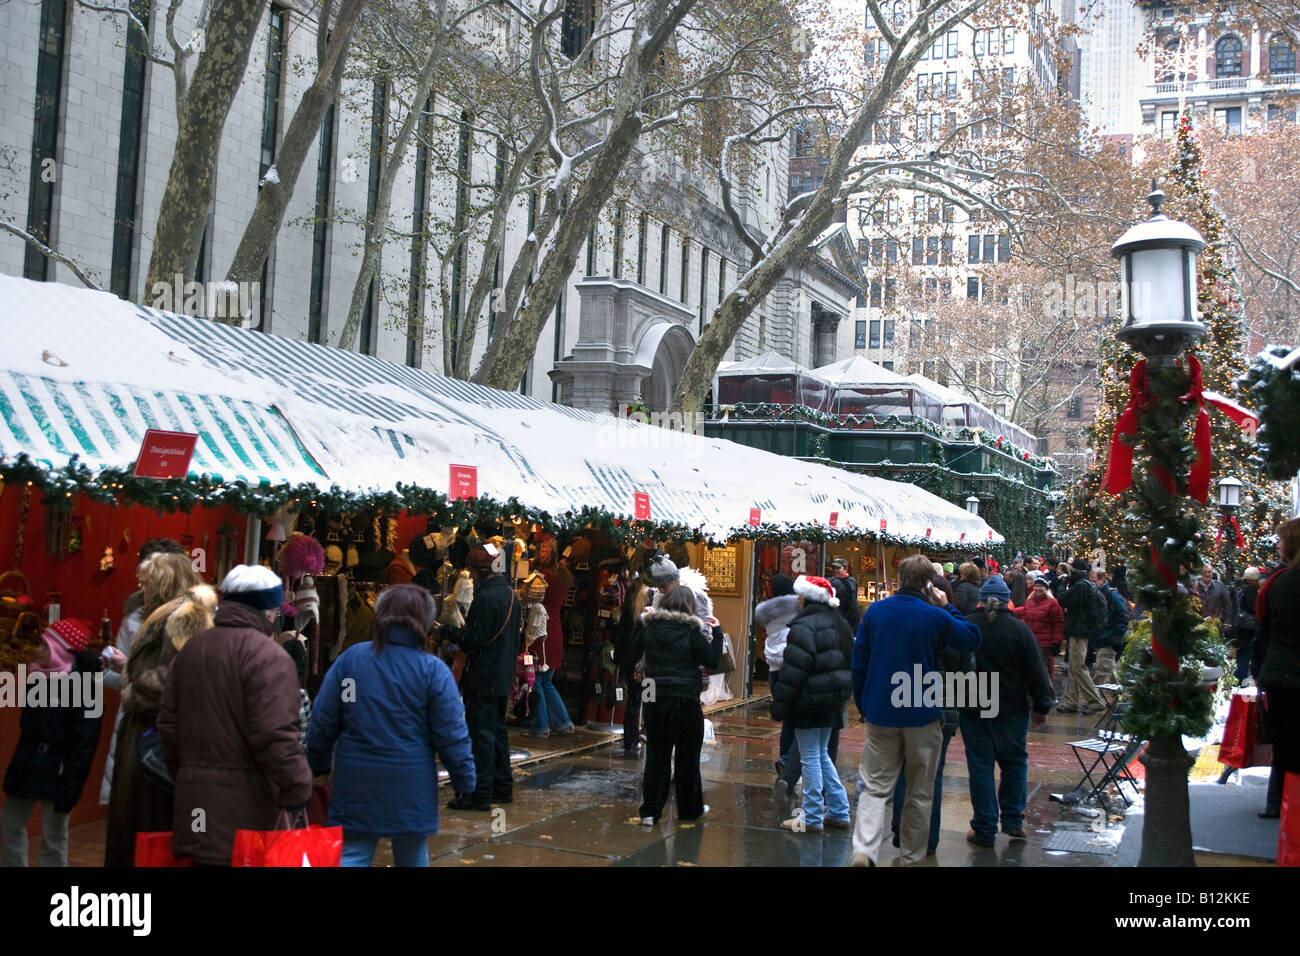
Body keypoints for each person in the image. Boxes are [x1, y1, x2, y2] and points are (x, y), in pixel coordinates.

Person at [307, 584, 476, 866]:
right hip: (412, 786)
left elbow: (323, 720)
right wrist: (464, 778)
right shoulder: (433, 670)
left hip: (355, 783)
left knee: (352, 853)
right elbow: (451, 734)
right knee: (412, 853)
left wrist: (319, 765)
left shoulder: (352, 659)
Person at [158, 566, 310, 866]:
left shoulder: (191, 650)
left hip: (194, 803)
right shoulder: (269, 657)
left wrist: (187, 776)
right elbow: (275, 735)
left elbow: (168, 726)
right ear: (270, 611)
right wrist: (298, 788)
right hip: (246, 809)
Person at [851, 554, 981, 867]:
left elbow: (859, 664)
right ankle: (911, 856)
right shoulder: (934, 616)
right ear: (927, 583)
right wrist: (945, 605)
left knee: (875, 785)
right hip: (921, 712)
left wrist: (863, 704)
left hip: (881, 710)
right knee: (920, 791)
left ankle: (865, 849)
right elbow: (971, 639)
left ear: (898, 578)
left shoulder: (875, 613)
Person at [103, 553, 210, 867]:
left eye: (147, 582)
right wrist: (129, 669)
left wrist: (133, 689)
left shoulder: (184, 617)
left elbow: (175, 677)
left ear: (163, 583)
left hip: (156, 742)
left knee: (148, 832)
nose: (142, 587)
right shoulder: (167, 615)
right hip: (147, 736)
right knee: (137, 828)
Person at [960, 575, 1055, 846]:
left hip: (974, 707)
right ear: (1007, 602)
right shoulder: (1020, 630)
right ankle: (1014, 820)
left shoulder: (967, 626)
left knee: (980, 766)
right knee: (1014, 763)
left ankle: (984, 826)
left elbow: (954, 666)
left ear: (980, 601)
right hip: (1012, 708)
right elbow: (1036, 673)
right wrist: (1041, 706)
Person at [1, 620, 103, 866]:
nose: (38, 651)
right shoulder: (37, 677)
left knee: (54, 836)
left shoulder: (86, 688)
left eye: (44, 646)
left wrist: (71, 786)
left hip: (60, 768)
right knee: (8, 826)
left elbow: (85, 744)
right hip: (28, 763)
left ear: (60, 651)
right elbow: (28, 727)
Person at [99, 538, 188, 806]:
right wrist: (105, 668)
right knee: (131, 814)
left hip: (173, 730)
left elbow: (185, 682)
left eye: (149, 578)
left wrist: (129, 666)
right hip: (135, 725)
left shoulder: (194, 617)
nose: (143, 585)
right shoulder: (135, 618)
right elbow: (122, 681)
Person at [634, 585, 723, 824]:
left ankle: (650, 812)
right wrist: (717, 633)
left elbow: (633, 650)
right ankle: (689, 810)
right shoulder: (692, 631)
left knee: (656, 755)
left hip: (653, 693)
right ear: (689, 607)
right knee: (687, 757)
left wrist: (641, 620)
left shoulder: (649, 627)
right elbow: (712, 660)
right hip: (685, 696)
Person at [771, 576, 853, 833]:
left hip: (808, 703)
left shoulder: (803, 626)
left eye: (801, 595)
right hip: (831, 702)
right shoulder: (839, 624)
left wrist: (779, 705)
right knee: (821, 755)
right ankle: (839, 810)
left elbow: (794, 669)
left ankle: (812, 815)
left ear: (808, 598)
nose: (797, 599)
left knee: (810, 758)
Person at [447, 544, 522, 812]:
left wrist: (447, 631)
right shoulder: (512, 596)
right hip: (501, 677)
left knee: (482, 736)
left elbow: (472, 639)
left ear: (479, 571)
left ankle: (480, 795)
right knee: (498, 734)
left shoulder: (486, 598)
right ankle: (503, 788)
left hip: (482, 677)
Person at [1252, 518, 1300, 819]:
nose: (1277, 544)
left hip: (1281, 672)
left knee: (1284, 741)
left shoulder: (1278, 582)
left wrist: (1259, 672)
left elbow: (1264, 632)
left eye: (1281, 540)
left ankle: (1278, 801)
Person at [754, 574, 800, 803]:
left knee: (786, 720)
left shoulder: (767, 614)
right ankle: (788, 760)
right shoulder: (796, 612)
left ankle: (784, 757)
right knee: (796, 720)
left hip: (773, 670)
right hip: (790, 669)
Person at [527, 534, 575, 738]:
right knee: (546, 681)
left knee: (537, 680)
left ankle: (540, 726)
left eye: (547, 549)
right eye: (542, 548)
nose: (544, 552)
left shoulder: (544, 576)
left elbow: (529, 597)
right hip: (554, 628)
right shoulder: (563, 575)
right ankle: (562, 722)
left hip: (541, 629)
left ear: (553, 550)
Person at [1054, 558, 1106, 716]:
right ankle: (1070, 700)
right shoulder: (1086, 584)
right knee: (1073, 666)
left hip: (1079, 631)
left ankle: (1095, 701)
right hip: (1081, 630)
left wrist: (1062, 585)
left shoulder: (1081, 586)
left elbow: (1063, 599)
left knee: (1078, 667)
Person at [1014, 575, 1064, 684]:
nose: (1037, 588)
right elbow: (1025, 615)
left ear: (1046, 588)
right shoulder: (1029, 601)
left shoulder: (1053, 603)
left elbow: (1058, 623)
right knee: (1031, 669)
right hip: (1030, 641)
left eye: (1040, 586)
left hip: (1044, 643)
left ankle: (1046, 693)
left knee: (1038, 669)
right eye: (1036, 586)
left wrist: (1056, 642)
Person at [1091, 569, 1130, 687]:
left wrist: (1115, 635)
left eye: (1094, 581)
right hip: (1101, 638)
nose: (1093, 584)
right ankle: (1118, 698)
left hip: (1107, 639)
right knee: (1110, 672)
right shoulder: (1098, 594)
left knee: (1102, 672)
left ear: (1103, 580)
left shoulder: (1111, 594)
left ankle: (1096, 701)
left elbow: (1123, 616)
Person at [1232, 567, 1261, 681]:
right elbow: (1253, 607)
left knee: (1241, 653)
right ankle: (1241, 679)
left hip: (1240, 627)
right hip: (1248, 629)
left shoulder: (1240, 587)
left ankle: (1239, 677)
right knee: (1245, 653)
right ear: (1253, 579)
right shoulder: (1250, 589)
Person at [1196, 565, 1233, 633]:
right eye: (1205, 572)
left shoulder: (1220, 586)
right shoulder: (1194, 586)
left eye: (1209, 572)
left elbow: (1227, 604)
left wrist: (1227, 621)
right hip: (1198, 625)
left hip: (1216, 625)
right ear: (1200, 574)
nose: (1207, 574)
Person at [830, 557, 861, 631]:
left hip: (846, 620)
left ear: (845, 569)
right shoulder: (832, 581)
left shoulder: (850, 583)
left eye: (838, 568)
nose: (835, 570)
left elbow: (853, 605)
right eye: (834, 568)